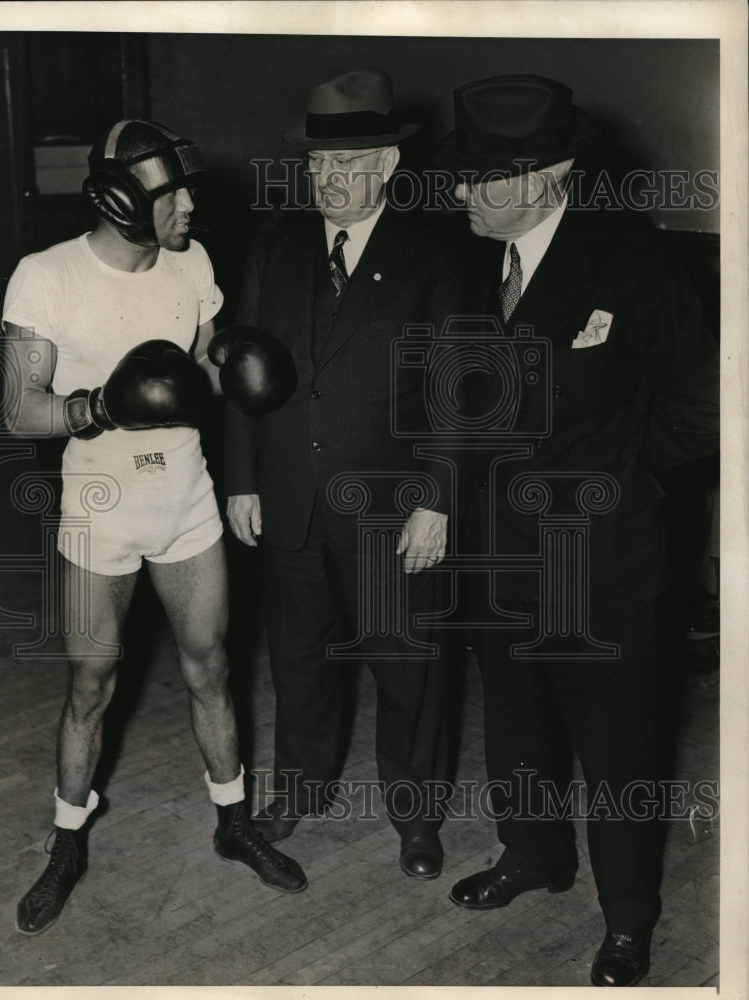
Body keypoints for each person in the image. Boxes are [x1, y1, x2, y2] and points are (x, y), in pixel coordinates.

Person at [438, 76, 719, 986]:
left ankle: (629, 916)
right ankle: (534, 853)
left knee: (620, 746)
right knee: (516, 725)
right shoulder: (471, 260)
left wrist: (616, 476)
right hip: (498, 554)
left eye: (483, 181)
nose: (461, 196)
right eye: (461, 177)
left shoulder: (633, 263)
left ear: (552, 174)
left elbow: (705, 407)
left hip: (602, 559)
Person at [3, 119, 307, 937]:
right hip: (99, 510)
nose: (192, 206)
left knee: (212, 667)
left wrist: (233, 363)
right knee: (92, 686)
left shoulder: (194, 262)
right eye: (176, 193)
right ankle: (67, 839)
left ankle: (233, 820)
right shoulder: (45, 276)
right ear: (122, 197)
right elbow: (16, 409)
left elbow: (205, 358)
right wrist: (99, 404)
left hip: (186, 499)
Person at [223, 70, 459, 879]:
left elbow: (460, 389)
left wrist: (439, 498)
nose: (328, 178)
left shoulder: (436, 253)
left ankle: (416, 815)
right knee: (300, 656)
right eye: (319, 164)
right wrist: (244, 478)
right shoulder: (275, 248)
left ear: (389, 165)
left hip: (395, 510)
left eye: (348, 163)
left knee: (408, 666)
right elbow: (240, 372)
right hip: (290, 496)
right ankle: (304, 785)